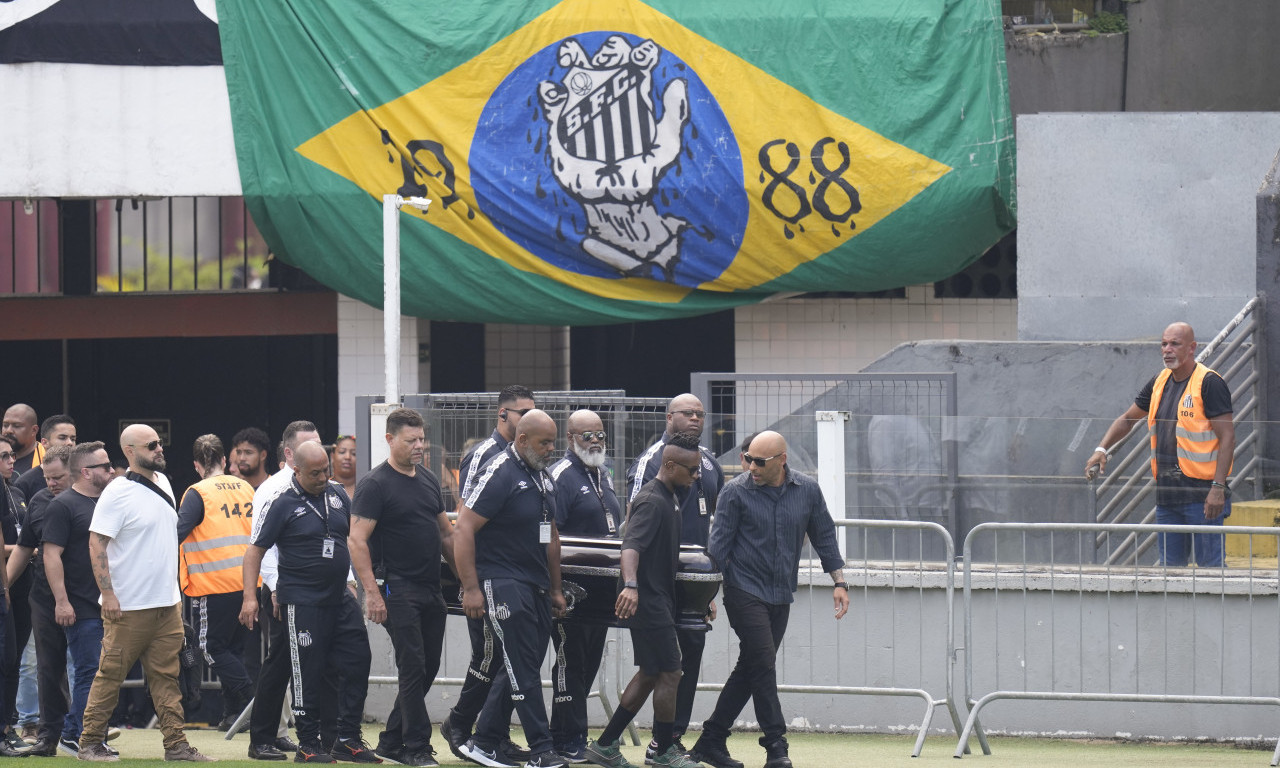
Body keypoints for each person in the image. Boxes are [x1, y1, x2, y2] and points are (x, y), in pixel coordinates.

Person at [691, 431, 848, 768]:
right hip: (742, 590)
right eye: (747, 459)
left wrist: (840, 581)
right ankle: (776, 745)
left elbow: (824, 534)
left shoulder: (806, 489)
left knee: (751, 666)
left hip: (780, 593)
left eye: (759, 462)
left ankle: (710, 740)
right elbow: (717, 547)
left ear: (782, 460)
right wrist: (707, 595)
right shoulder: (735, 492)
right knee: (762, 663)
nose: (751, 467)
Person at [74, 424, 214, 762]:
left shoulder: (163, 482)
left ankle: (176, 746)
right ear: (131, 452)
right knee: (110, 675)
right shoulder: (116, 492)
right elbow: (97, 542)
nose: (159, 449)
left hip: (166, 605)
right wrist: (108, 595)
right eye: (151, 445)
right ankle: (90, 742)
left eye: (160, 443)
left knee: (167, 678)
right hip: (128, 607)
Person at [240, 441, 376, 764]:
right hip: (302, 600)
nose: (322, 476)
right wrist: (250, 597)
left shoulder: (337, 493)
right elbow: (255, 551)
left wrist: (355, 582)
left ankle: (347, 737)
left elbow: (346, 540)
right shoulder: (281, 503)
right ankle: (308, 742)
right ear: (296, 470)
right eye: (314, 473)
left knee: (359, 658)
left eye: (325, 470)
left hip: (339, 596)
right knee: (306, 671)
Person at [453, 409, 568, 768]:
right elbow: (464, 528)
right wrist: (471, 588)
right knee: (522, 665)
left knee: (523, 664)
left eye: (553, 442)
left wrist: (556, 588)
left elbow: (550, 537)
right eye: (544, 442)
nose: (551, 449)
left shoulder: (544, 478)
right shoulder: (500, 472)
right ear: (521, 440)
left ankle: (483, 741)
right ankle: (542, 750)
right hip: (500, 582)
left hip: (534, 585)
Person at [585, 435, 704, 768]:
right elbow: (630, 546)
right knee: (671, 672)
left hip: (658, 599)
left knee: (652, 672)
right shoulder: (652, 500)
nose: (696, 476)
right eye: (692, 470)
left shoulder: (672, 497)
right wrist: (632, 586)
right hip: (648, 602)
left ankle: (606, 745)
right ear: (669, 465)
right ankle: (663, 751)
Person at [348, 409, 454, 767]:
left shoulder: (426, 480)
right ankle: (416, 748)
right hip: (397, 588)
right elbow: (356, 542)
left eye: (421, 439)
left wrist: (470, 584)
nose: (419, 446)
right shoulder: (375, 484)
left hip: (431, 588)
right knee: (413, 665)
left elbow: (446, 534)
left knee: (428, 666)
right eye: (411, 440)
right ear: (390, 440)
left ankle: (392, 739)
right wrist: (372, 594)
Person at [1085, 321, 1235, 567]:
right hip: (1168, 495)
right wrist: (1101, 449)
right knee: (1170, 573)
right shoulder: (1159, 382)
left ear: (1192, 348)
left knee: (1212, 572)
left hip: (1203, 496)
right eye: (1164, 344)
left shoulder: (1208, 383)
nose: (1167, 349)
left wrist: (1218, 489)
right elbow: (1127, 419)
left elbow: (1227, 437)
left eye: (1175, 344)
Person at [625, 394, 724, 761]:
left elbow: (713, 523)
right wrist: (632, 583)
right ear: (669, 417)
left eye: (700, 413)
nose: (695, 418)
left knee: (688, 656)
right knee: (662, 667)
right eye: (687, 412)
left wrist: (707, 588)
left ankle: (672, 737)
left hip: (692, 582)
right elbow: (632, 527)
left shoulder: (710, 464)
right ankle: (657, 744)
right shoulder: (652, 464)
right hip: (656, 584)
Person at [440, 385, 537, 764]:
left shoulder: (524, 455)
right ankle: (461, 724)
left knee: (506, 657)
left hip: (516, 572)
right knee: (489, 655)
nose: (528, 418)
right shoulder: (482, 455)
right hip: (487, 573)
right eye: (522, 412)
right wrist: (471, 584)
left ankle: (492, 734)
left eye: (533, 411)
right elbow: (464, 522)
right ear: (503, 414)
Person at [242, 421, 323, 761]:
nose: (315, 450)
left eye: (318, 443)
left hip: (315, 591)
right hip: (282, 590)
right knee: (280, 664)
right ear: (290, 453)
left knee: (298, 664)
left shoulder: (322, 488)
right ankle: (261, 737)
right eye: (308, 444)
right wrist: (275, 589)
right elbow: (263, 548)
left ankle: (278, 733)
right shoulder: (272, 490)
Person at [547, 410, 622, 762]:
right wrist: (555, 588)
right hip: (570, 589)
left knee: (589, 661)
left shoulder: (603, 474)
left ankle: (572, 731)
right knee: (569, 662)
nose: (595, 441)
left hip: (600, 592)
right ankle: (565, 737)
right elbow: (548, 534)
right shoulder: (560, 476)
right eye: (587, 435)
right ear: (569, 438)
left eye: (600, 435)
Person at [176, 434, 257, 731]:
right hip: (249, 583)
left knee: (210, 648)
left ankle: (252, 701)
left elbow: (178, 532)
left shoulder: (197, 493)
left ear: (197, 465)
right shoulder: (246, 487)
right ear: (225, 460)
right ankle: (232, 714)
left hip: (215, 584)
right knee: (233, 650)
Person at [40, 442, 114, 756]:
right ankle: (76, 734)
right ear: (85, 472)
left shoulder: (111, 502)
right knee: (90, 671)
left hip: (111, 603)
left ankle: (90, 733)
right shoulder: (64, 505)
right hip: (81, 604)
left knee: (105, 672)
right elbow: (50, 555)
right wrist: (61, 601)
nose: (111, 471)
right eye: (104, 466)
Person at [7, 445, 80, 756]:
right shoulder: (38, 501)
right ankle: (48, 737)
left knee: (88, 665)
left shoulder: (94, 501)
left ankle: (86, 731)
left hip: (86, 596)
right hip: (44, 596)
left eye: (58, 477)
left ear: (76, 472)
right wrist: (4, 586)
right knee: (48, 668)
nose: (51, 483)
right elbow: (24, 548)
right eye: (47, 478)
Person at [13, 414, 76, 501]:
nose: (70, 443)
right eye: (62, 438)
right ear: (44, 442)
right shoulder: (24, 483)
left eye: (73, 439)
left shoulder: (83, 477)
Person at [1, 404, 42, 476]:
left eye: (16, 426)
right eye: (5, 425)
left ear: (34, 430)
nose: (8, 430)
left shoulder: (46, 459)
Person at [331, 435, 358, 500]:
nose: (347, 457)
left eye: (354, 453)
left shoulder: (365, 487)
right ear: (332, 456)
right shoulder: (323, 487)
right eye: (342, 452)